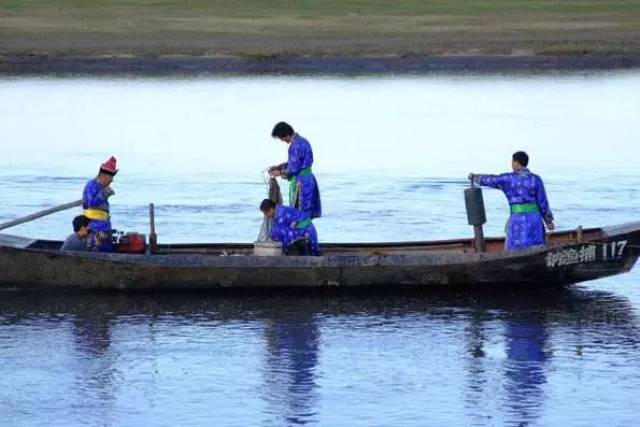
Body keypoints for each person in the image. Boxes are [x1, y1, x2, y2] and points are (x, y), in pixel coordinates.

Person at [469, 151, 555, 250]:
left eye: (512, 161)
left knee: (516, 247)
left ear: (516, 163)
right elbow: (543, 202)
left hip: (517, 220)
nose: (511, 164)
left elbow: (491, 179)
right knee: (535, 245)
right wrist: (549, 221)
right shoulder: (536, 179)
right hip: (534, 219)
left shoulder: (509, 179)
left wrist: (475, 177)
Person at [268, 122, 322, 219]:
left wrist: (279, 173)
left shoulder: (294, 146)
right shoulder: (304, 141)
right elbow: (298, 163)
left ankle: (300, 233)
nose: (282, 141)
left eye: (281, 138)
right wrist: (280, 166)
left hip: (300, 183)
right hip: (309, 179)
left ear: (285, 134)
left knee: (298, 214)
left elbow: (293, 169)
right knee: (306, 213)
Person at [82, 156, 118, 252]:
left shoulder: (102, 187)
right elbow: (91, 203)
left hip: (105, 228)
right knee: (98, 250)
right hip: (94, 229)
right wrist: (105, 193)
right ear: (103, 175)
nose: (111, 181)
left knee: (108, 250)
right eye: (110, 178)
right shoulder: (91, 185)